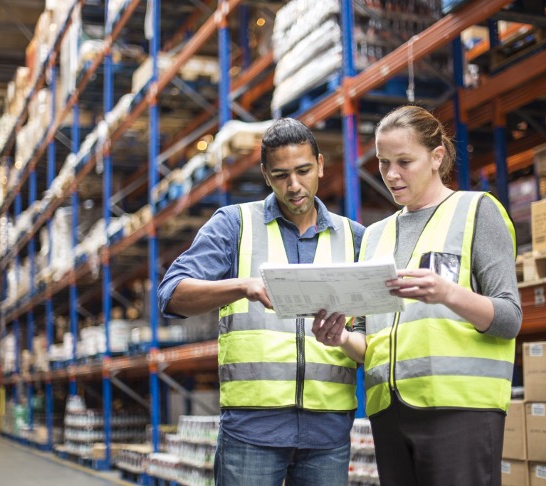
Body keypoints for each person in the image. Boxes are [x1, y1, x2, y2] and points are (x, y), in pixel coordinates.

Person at [313, 105, 522, 486]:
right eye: (383, 162)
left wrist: (449, 293)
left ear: (437, 157)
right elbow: (369, 341)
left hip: (459, 408)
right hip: (389, 413)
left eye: (404, 161)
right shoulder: (375, 236)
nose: (391, 175)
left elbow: (509, 318)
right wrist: (341, 338)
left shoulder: (476, 212)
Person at [158, 117, 365, 486]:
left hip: (328, 433)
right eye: (281, 174)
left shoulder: (355, 238)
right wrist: (243, 287)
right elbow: (172, 295)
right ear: (265, 175)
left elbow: (373, 335)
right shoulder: (235, 225)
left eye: (303, 170)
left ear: (320, 163)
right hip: (252, 432)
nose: (295, 185)